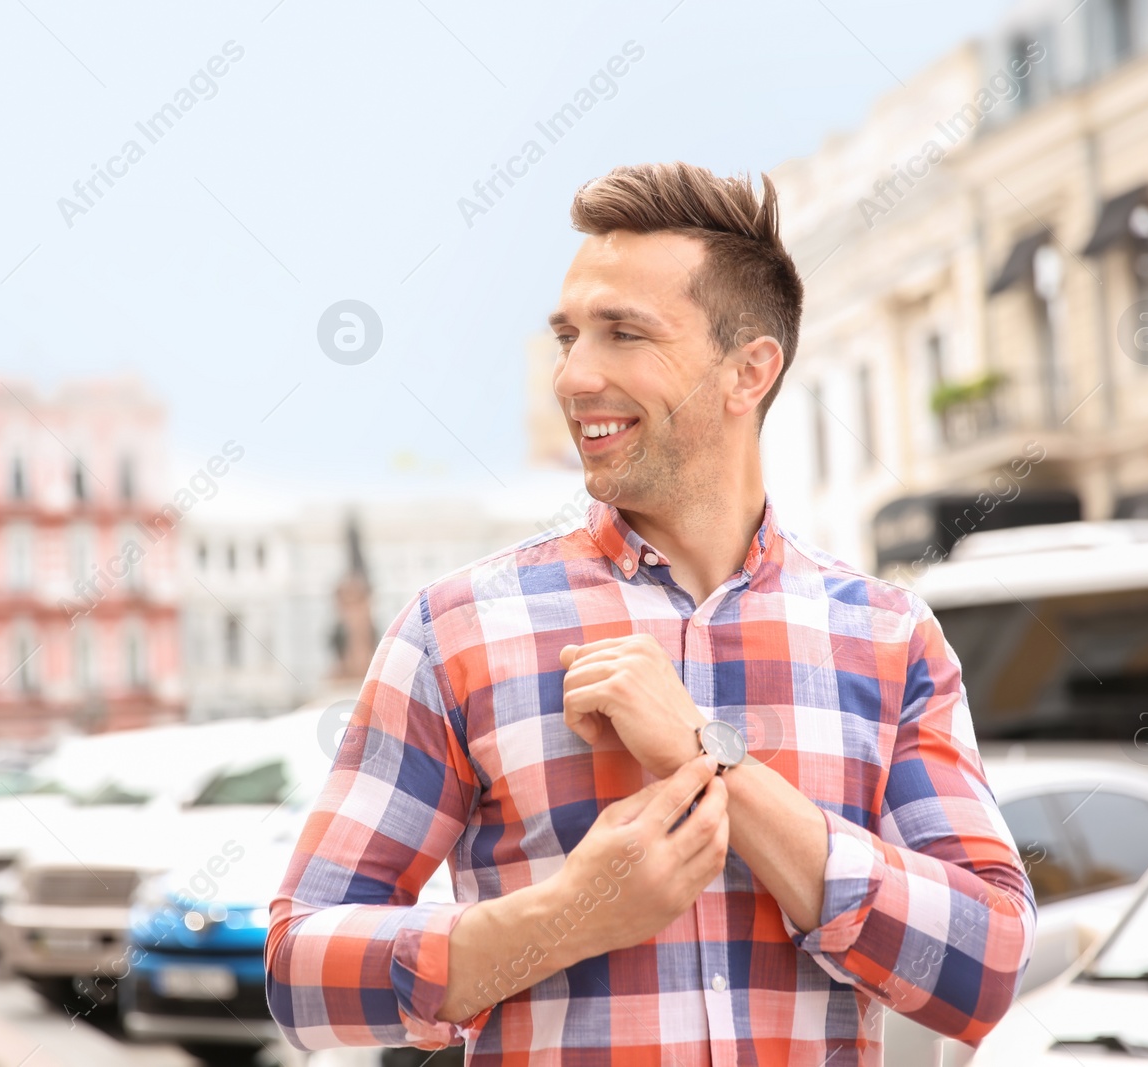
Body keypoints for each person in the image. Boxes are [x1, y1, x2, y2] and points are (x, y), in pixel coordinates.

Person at [266, 162, 1035, 1064]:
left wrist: (708, 753)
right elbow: (298, 973)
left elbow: (985, 967)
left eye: (624, 333)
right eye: (568, 336)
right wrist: (563, 917)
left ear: (750, 371)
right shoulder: (457, 632)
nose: (574, 376)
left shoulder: (890, 637)